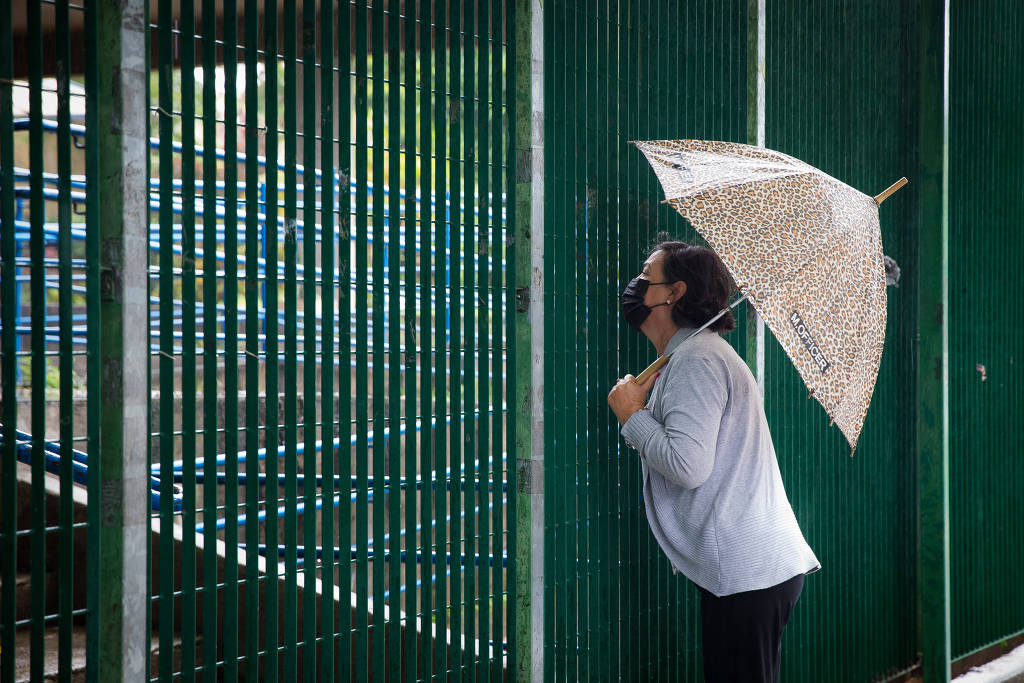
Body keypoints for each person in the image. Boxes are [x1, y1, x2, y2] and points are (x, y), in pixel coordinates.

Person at [607, 240, 819, 683]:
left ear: (674, 292)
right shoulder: (692, 357)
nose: (637, 284)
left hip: (748, 572)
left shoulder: (698, 360)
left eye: (647, 276)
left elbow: (688, 465)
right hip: (752, 570)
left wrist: (632, 416)